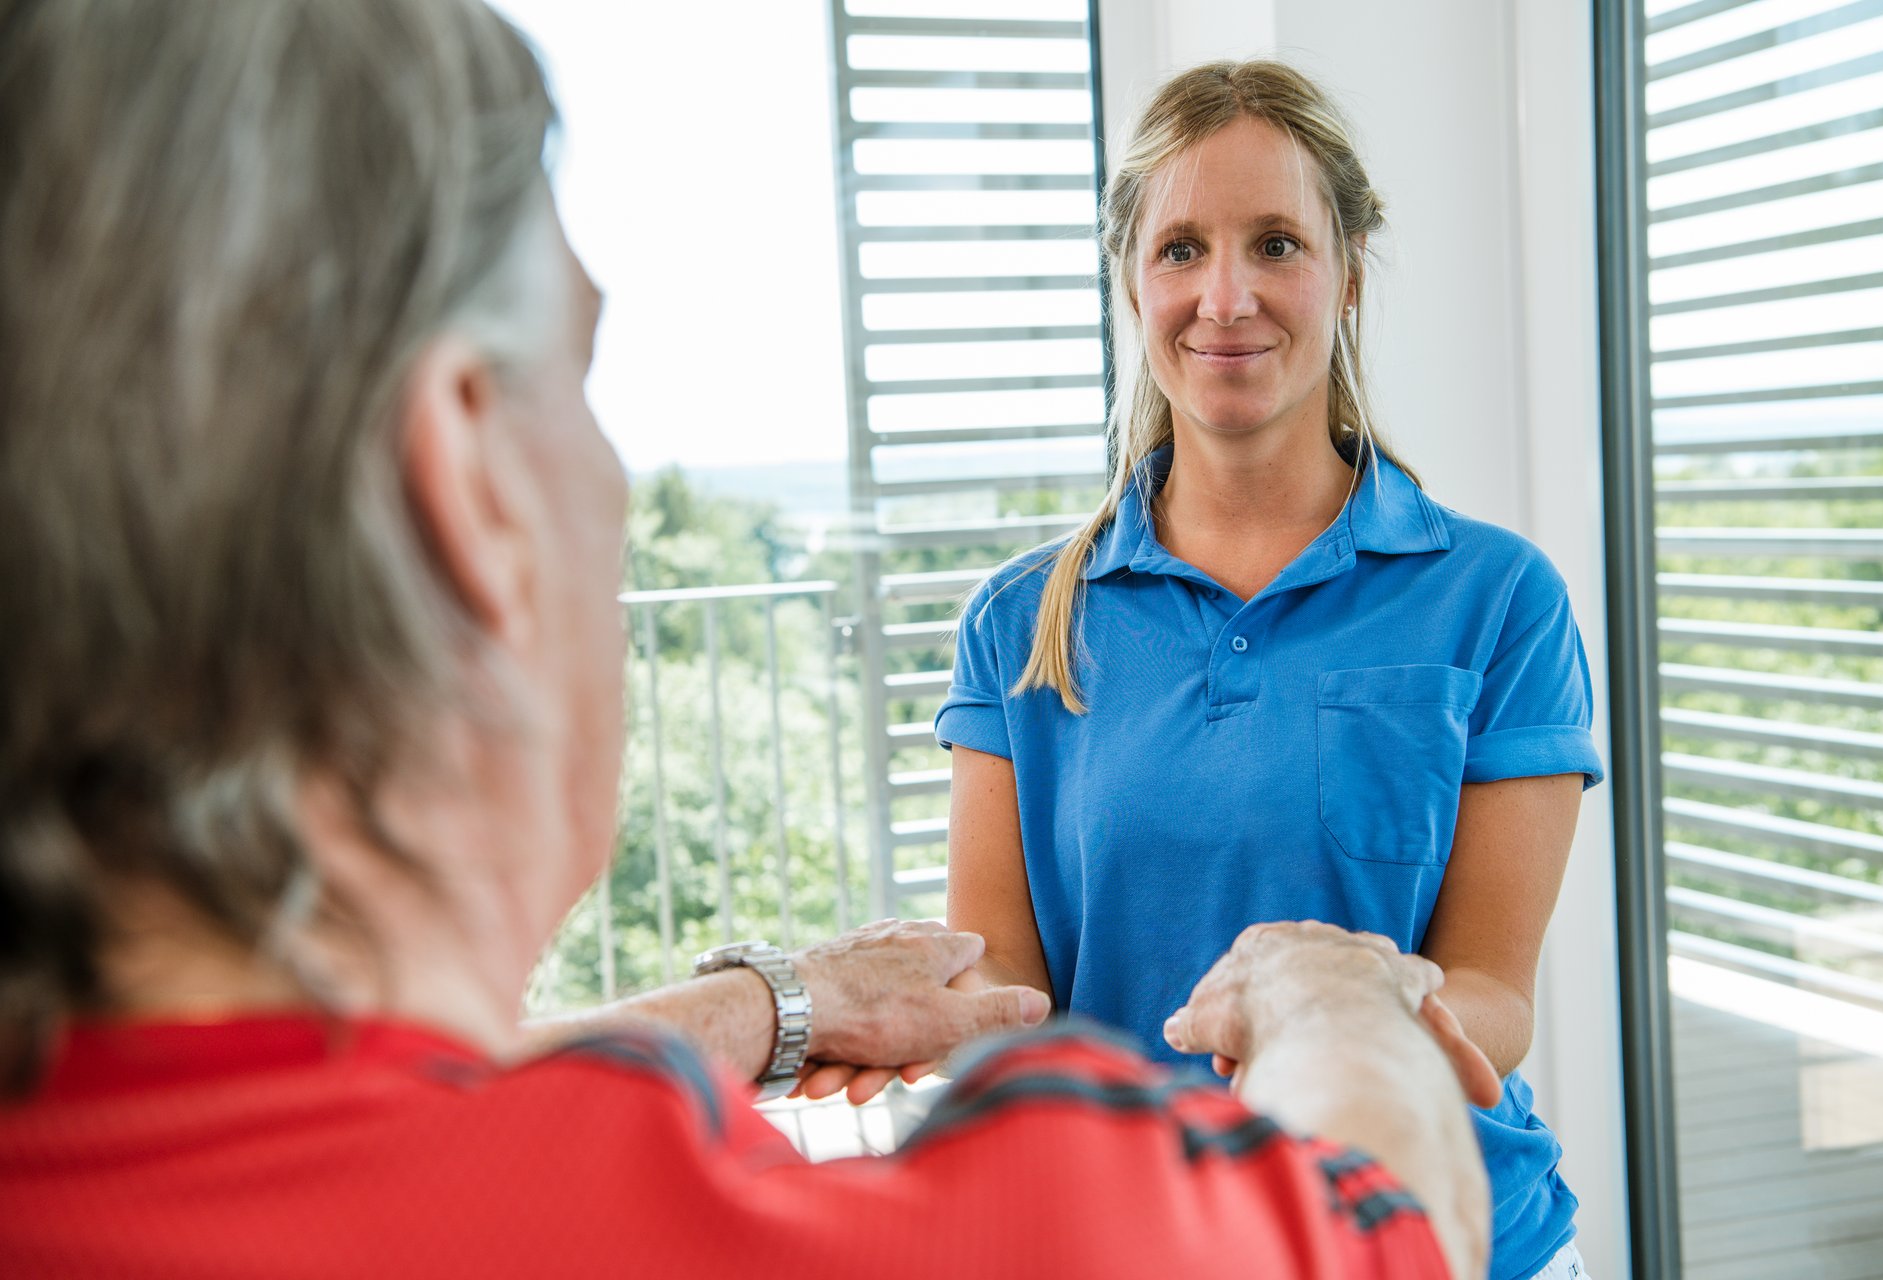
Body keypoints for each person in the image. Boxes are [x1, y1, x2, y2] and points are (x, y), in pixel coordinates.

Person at [0, 3, 1502, 1276]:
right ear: (466, 483)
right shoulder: (1000, 1226)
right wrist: (1331, 994)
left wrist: (771, 1004)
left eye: (1276, 245)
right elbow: (1383, 1222)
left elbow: (348, 1119)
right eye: (584, 374)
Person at [937, 60, 1607, 1280]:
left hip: (1443, 1235)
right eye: (1181, 249)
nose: (1226, 296)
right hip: (1138, 1246)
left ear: (1348, 274)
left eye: (1277, 244)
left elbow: (1494, 993)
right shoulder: (1021, 622)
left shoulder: (1500, 598)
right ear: (1132, 282)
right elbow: (1002, 995)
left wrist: (1352, 1011)